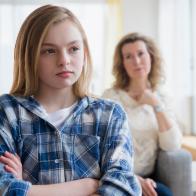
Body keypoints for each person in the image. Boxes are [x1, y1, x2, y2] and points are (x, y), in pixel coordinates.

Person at [0, 5, 141, 196]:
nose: (64, 60)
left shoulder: (110, 114)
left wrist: (28, 190)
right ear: (29, 56)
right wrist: (87, 186)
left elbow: (123, 189)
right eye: (49, 51)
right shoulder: (8, 111)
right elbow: (3, 187)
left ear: (85, 53)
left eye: (73, 48)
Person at [102, 32, 182, 196]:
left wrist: (156, 104)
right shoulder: (111, 98)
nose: (136, 61)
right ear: (122, 63)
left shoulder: (162, 98)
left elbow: (172, 145)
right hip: (116, 175)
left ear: (151, 56)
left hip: (148, 178)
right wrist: (131, 177)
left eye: (140, 54)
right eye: (129, 56)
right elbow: (102, 147)